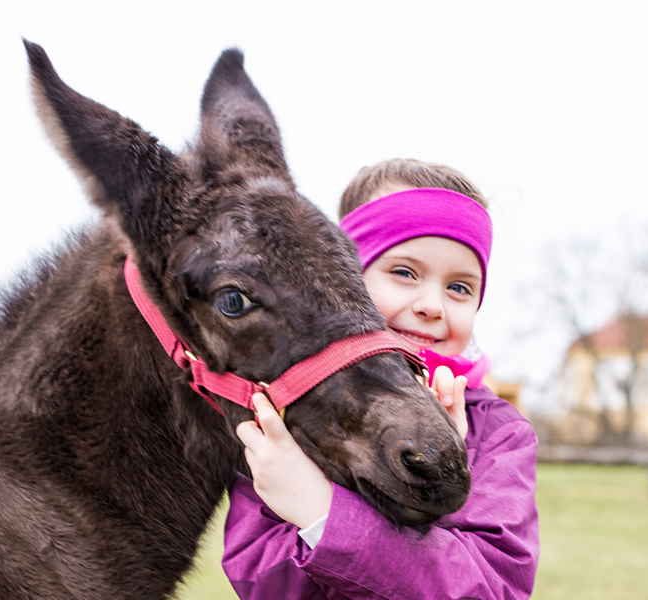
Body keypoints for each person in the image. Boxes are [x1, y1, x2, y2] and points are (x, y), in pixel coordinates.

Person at [221, 159, 539, 599]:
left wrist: (323, 509)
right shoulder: (285, 415)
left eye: (460, 288)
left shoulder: (500, 434)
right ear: (344, 280)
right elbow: (265, 583)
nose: (433, 304)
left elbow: (491, 588)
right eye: (405, 273)